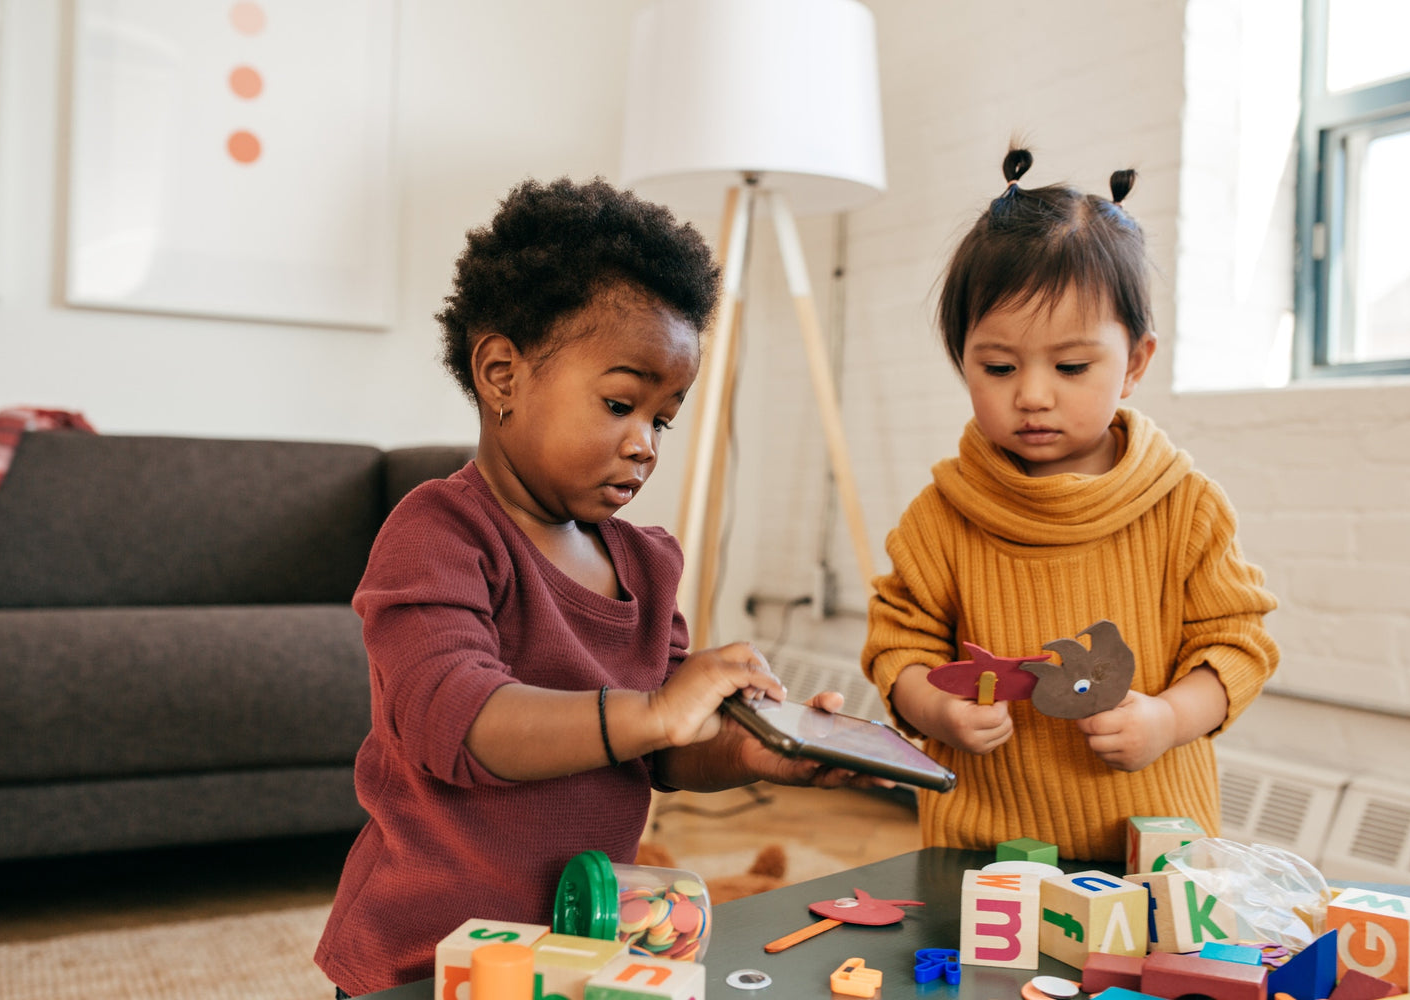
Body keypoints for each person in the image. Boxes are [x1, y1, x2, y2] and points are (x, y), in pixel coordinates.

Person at [316, 177, 866, 996]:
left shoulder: (647, 563)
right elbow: (455, 723)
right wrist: (654, 709)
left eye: (663, 419)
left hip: (589, 942)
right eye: (619, 403)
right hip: (426, 959)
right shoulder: (439, 535)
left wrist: (758, 753)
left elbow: (666, 755)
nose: (645, 445)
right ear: (502, 374)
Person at [861, 148, 1279, 863]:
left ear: (1136, 364)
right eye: (998, 367)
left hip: (1155, 848)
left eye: (1071, 366)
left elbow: (1237, 646)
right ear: (962, 360)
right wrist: (938, 709)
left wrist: (1169, 718)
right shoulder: (940, 516)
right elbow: (898, 647)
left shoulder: (1186, 506)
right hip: (982, 852)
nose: (1032, 394)